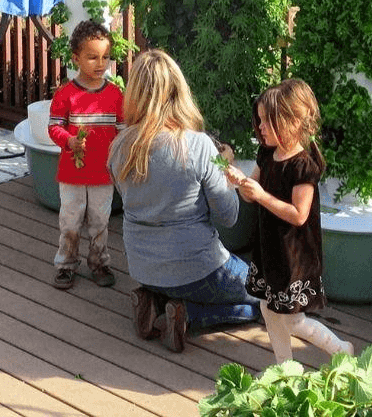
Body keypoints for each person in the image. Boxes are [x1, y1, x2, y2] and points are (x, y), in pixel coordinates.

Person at [108, 49, 260, 353]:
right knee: (271, 299)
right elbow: (229, 215)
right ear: (179, 91)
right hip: (198, 268)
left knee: (176, 282)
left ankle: (153, 300)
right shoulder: (198, 144)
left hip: (143, 267)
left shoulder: (119, 146)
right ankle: (190, 315)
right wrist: (222, 164)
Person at [235, 79, 353, 364]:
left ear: (292, 121)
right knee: (267, 307)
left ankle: (341, 350)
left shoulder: (303, 165)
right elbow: (251, 193)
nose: (260, 127)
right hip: (271, 250)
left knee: (294, 320)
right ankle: (284, 370)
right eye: (259, 120)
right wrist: (238, 181)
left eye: (267, 121)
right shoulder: (267, 153)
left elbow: (299, 214)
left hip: (294, 256)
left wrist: (261, 196)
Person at [47, 21, 124, 290]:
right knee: (70, 221)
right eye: (92, 57)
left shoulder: (116, 95)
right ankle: (66, 264)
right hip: (72, 174)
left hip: (103, 174)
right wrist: (69, 140)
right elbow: (54, 128)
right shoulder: (66, 95)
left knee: (100, 221)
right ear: (76, 58)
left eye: (105, 57)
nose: (100, 63)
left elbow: (123, 132)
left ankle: (99, 262)